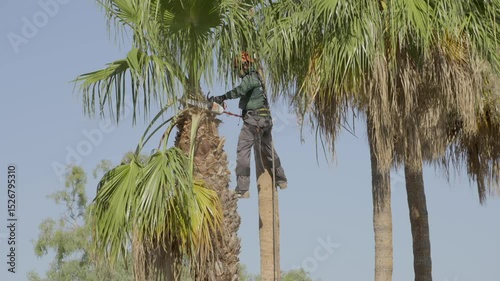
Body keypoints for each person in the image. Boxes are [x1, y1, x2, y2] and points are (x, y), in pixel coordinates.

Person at [209, 52, 287, 199]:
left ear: (245, 65)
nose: (238, 71)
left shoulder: (251, 77)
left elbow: (240, 90)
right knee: (268, 149)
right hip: (265, 120)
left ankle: (243, 189)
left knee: (243, 151)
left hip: (254, 121)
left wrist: (222, 97)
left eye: (238, 67)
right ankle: (281, 179)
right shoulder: (258, 78)